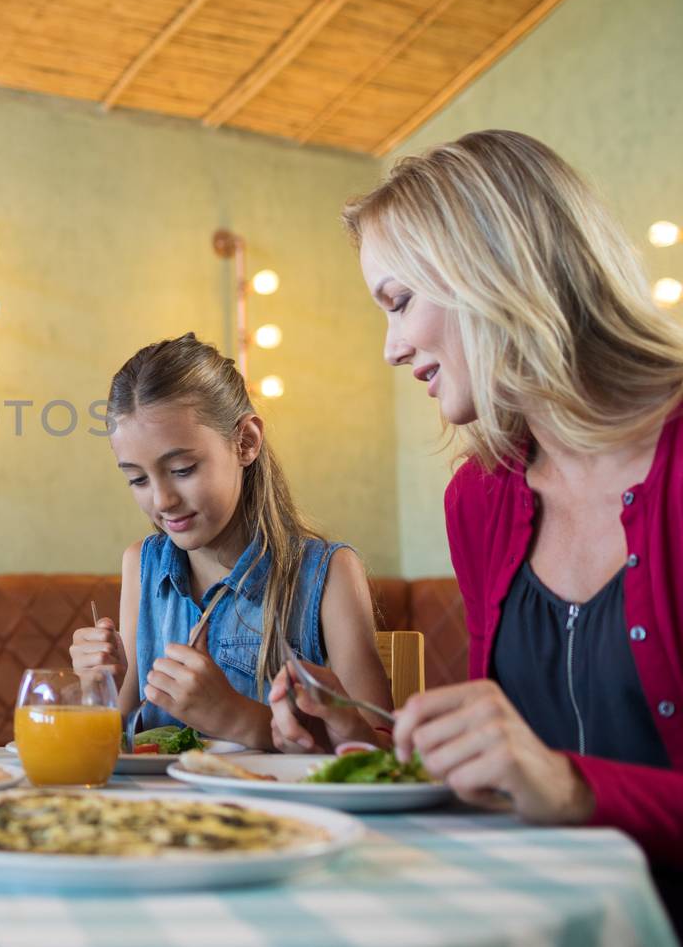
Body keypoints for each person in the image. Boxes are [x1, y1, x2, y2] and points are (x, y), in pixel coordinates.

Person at [276, 129, 679, 920]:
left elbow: (554, 775)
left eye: (399, 301)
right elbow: (516, 763)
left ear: (492, 270)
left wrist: (571, 784)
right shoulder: (479, 498)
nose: (392, 348)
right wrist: (372, 732)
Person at [70, 333, 390, 750]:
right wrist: (98, 688)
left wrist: (239, 719)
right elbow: (119, 740)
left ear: (246, 442)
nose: (162, 500)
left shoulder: (327, 574)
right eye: (137, 479)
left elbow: (381, 753)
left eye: (183, 469)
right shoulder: (141, 565)